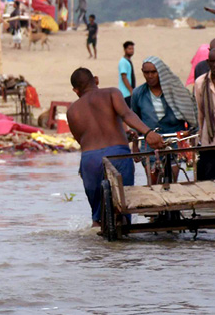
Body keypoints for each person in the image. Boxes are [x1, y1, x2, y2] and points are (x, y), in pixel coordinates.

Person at [67, 68, 164, 226]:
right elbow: (126, 114)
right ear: (96, 80)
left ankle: (98, 234)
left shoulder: (72, 111)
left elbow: (82, 140)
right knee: (123, 211)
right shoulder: (112, 93)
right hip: (118, 155)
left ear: (75, 90)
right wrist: (147, 133)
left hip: (90, 160)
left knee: (97, 219)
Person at [131, 56, 197, 182]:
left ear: (160, 72)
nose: (150, 76)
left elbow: (190, 114)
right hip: (149, 146)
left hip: (173, 144)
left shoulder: (176, 92)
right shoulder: (138, 94)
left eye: (153, 72)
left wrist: (190, 136)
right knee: (153, 184)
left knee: (172, 182)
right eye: (146, 72)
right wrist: (135, 145)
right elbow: (135, 119)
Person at [194, 48, 215, 180]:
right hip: (209, 139)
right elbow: (200, 112)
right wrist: (200, 135)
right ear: (208, 62)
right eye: (213, 62)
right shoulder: (200, 83)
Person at [118, 41, 136, 106]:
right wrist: (131, 90)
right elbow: (124, 77)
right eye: (129, 49)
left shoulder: (128, 61)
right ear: (125, 50)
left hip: (129, 93)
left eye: (132, 49)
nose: (131, 51)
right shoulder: (123, 62)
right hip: (126, 94)